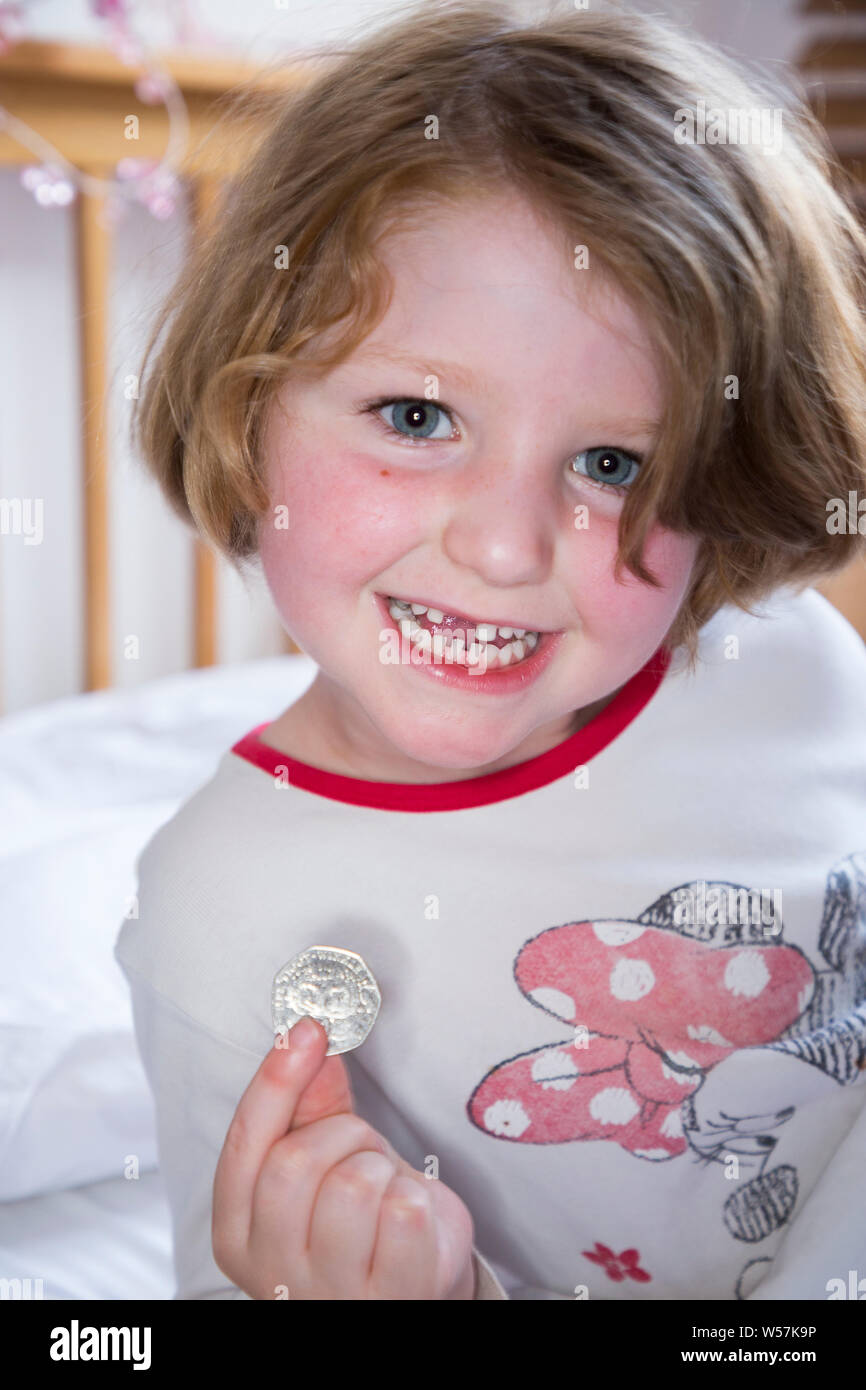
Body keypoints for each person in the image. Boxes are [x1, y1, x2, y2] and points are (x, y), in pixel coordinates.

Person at [115, 0, 866, 1300]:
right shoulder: (224, 910)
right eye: (415, 414)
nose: (509, 547)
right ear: (243, 410)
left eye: (612, 461)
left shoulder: (786, 662)